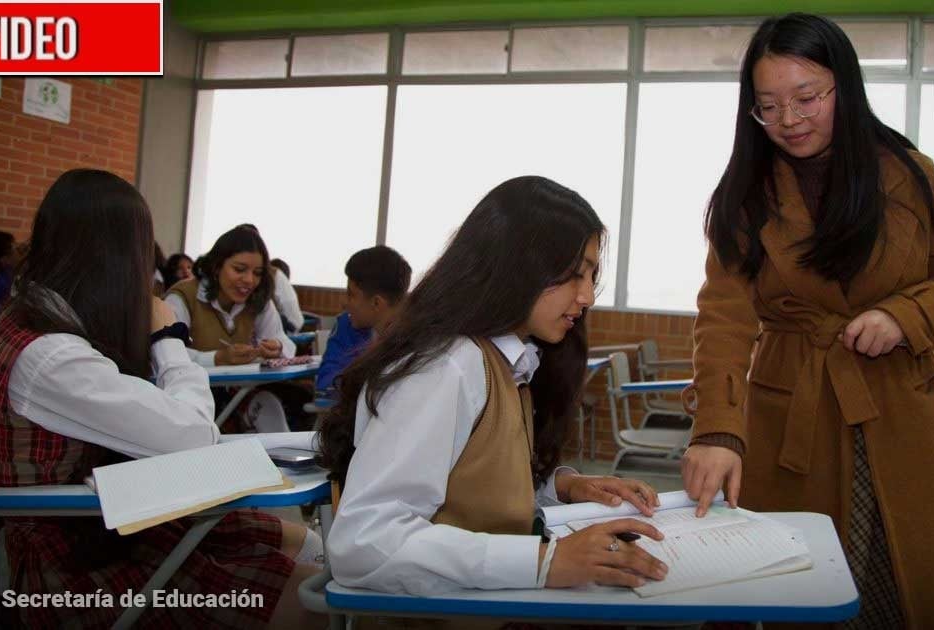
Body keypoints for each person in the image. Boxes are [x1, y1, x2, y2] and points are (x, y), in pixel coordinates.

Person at [682, 13, 934, 629]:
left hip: (901, 405)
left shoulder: (910, 174)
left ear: (844, 87)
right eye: (768, 106)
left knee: (907, 580)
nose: (788, 121)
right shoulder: (747, 192)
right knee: (794, 583)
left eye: (806, 98)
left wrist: (905, 315)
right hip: (791, 405)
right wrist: (717, 428)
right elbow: (724, 315)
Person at [0, 169, 324, 628]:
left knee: (302, 543)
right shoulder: (52, 354)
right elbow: (194, 435)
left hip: (105, 516)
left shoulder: (38, 317)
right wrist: (167, 338)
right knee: (318, 597)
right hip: (74, 555)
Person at [320, 176, 669, 608]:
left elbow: (471, 486)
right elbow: (363, 542)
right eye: (573, 274)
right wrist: (544, 562)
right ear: (514, 267)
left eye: (592, 274)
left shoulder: (510, 358)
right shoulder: (448, 364)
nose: (586, 295)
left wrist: (564, 487)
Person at [165, 227, 295, 367]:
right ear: (216, 266)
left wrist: (278, 347)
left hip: (244, 388)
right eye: (239, 269)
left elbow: (284, 341)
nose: (249, 280)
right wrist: (216, 358)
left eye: (257, 273)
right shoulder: (182, 297)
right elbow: (165, 353)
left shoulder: (258, 297)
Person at [315, 246, 411, 393]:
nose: (344, 302)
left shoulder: (416, 337)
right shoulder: (345, 326)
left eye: (351, 294)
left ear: (376, 303)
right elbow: (325, 381)